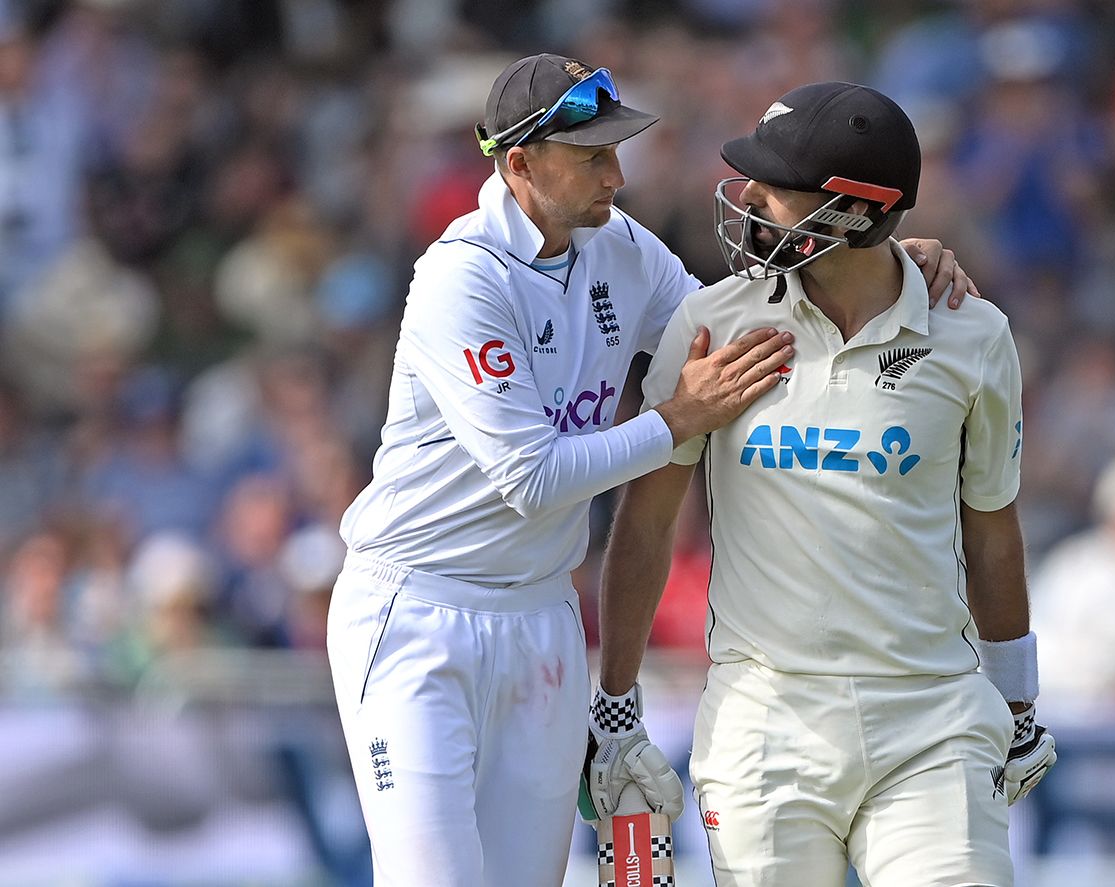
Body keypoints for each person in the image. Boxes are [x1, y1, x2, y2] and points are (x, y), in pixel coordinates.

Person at [324, 55, 976, 886]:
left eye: (617, 149)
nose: (617, 173)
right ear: (518, 163)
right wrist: (674, 420)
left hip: (543, 617)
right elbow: (529, 479)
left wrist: (878, 259)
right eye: (592, 156)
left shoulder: (620, 247)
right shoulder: (461, 277)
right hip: (419, 611)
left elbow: (741, 326)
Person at [593, 82, 1056, 886]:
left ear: (847, 215)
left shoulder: (972, 335)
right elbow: (646, 521)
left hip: (932, 719)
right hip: (765, 721)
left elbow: (992, 528)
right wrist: (616, 700)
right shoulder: (714, 324)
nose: (750, 199)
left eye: (773, 186)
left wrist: (1016, 703)